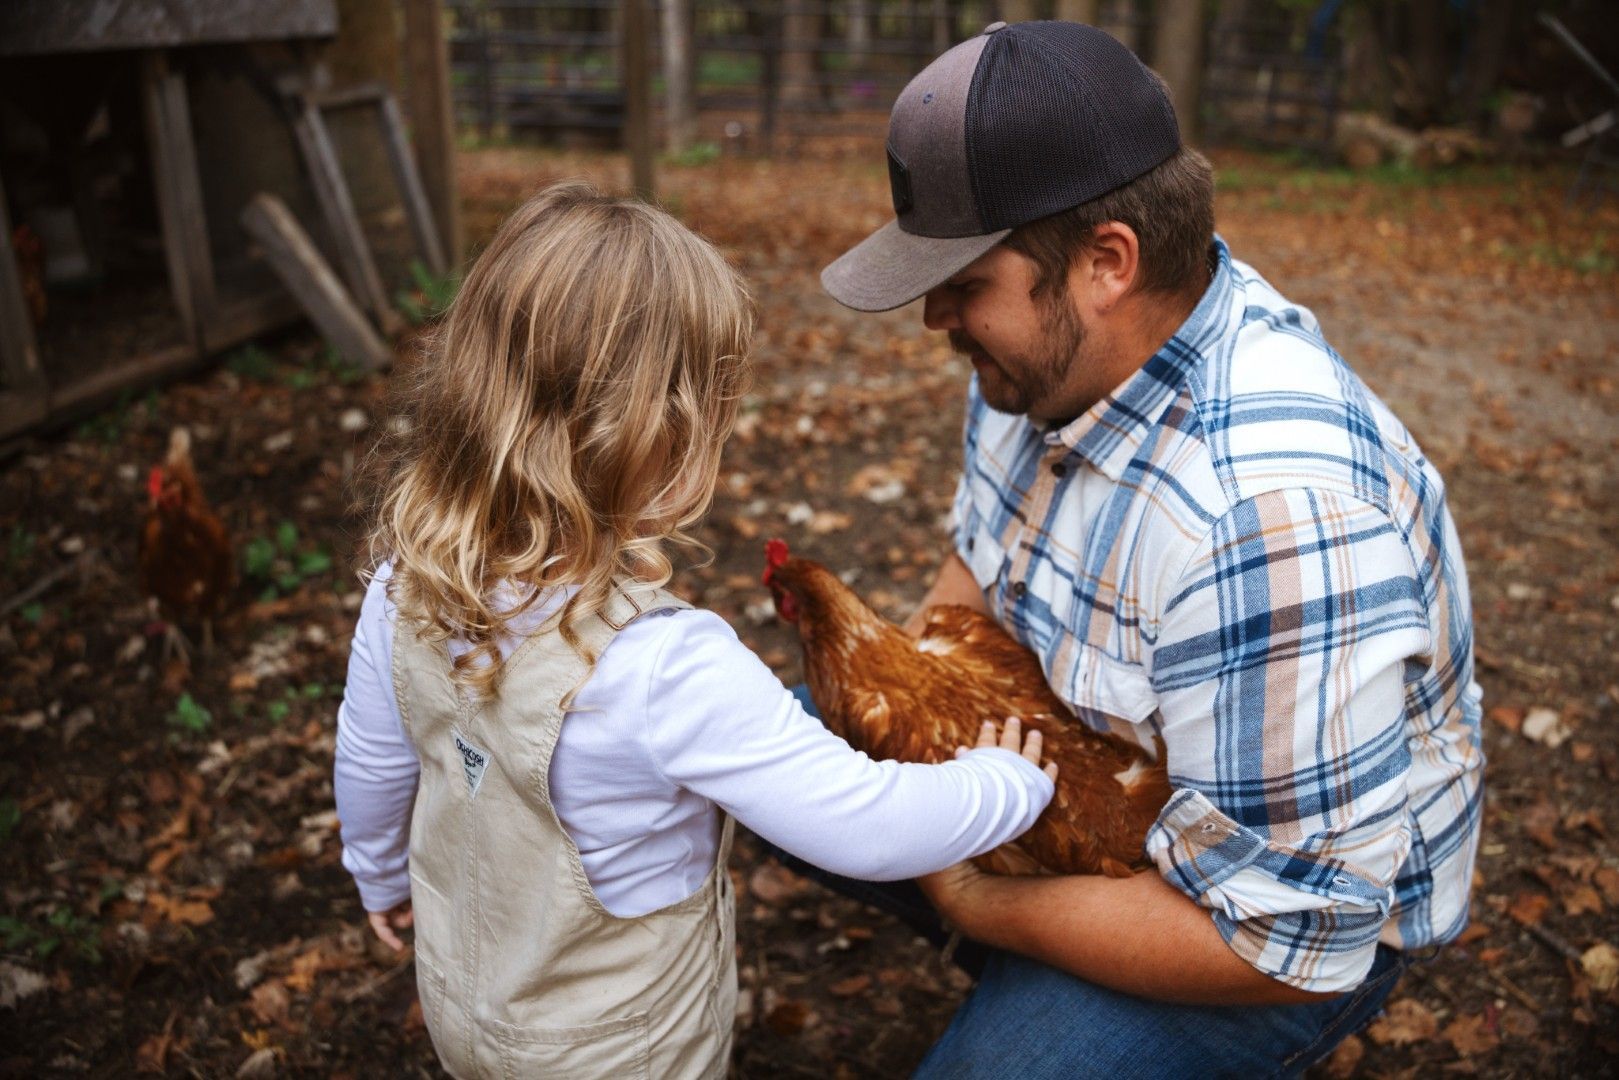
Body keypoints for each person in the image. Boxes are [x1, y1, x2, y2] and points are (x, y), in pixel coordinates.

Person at [817, 20, 1484, 1078]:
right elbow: (968, 587)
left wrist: (980, 897)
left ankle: (1059, 997)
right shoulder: (1038, 362)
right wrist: (896, 719)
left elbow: (1292, 938)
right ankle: (1052, 985)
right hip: (1102, 781)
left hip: (1250, 923)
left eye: (963, 281)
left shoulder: (1269, 519)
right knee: (804, 735)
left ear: (1105, 264)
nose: (931, 315)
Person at [332, 180, 1059, 1080]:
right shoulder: (666, 667)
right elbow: (863, 824)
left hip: (469, 1004)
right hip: (618, 1049)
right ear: (667, 439)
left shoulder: (404, 586)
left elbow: (372, 763)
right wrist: (1005, 785)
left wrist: (377, 875)